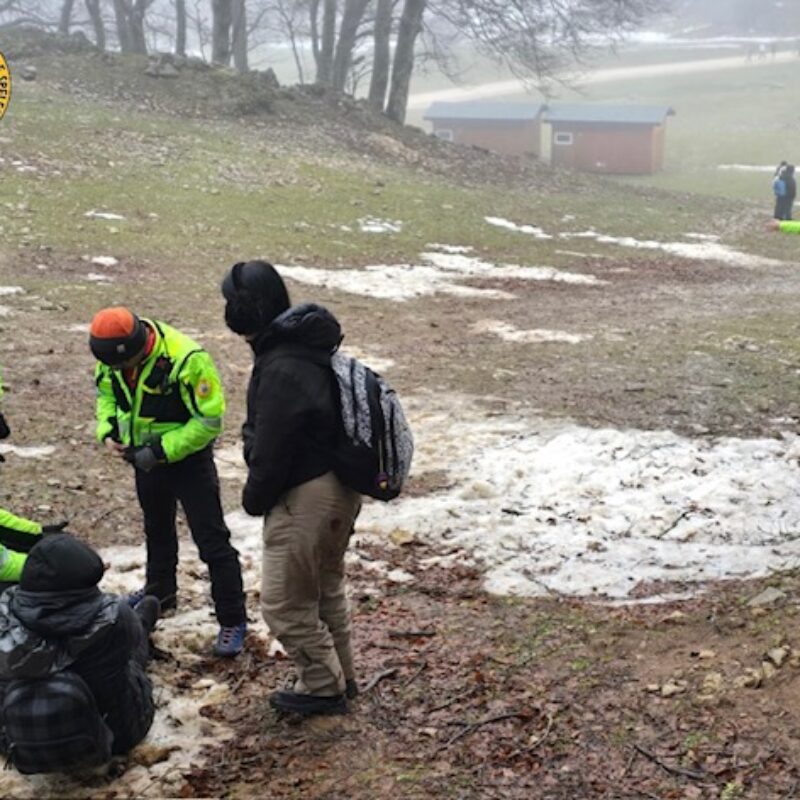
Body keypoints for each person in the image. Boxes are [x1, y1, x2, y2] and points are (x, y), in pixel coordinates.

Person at [221, 261, 361, 716]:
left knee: (284, 604)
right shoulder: (308, 350)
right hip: (340, 488)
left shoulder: (282, 363)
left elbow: (272, 447)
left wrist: (254, 498)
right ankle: (342, 675)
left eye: (231, 303)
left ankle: (322, 687)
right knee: (323, 590)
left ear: (248, 309)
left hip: (306, 496)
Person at [89, 307, 247, 657]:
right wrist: (108, 431)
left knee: (212, 541)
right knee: (156, 530)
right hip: (144, 461)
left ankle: (233, 618)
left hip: (188, 462)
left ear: (141, 344)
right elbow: (107, 396)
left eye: (125, 363)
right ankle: (160, 594)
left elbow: (209, 421)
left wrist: (161, 450)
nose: (120, 371)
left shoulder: (187, 359)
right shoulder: (110, 357)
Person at [0, 534, 160, 763]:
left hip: (18, 739)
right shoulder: (116, 617)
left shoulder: (4, 617)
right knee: (131, 658)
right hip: (116, 736)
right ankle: (144, 619)